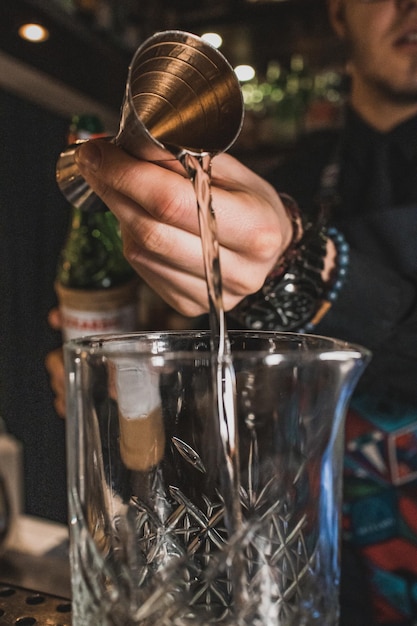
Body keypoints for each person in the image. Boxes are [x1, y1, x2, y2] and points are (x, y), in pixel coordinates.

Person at [46, 0, 417, 623]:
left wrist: (300, 258)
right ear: (337, 13)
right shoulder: (292, 172)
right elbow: (208, 388)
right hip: (292, 567)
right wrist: (126, 382)